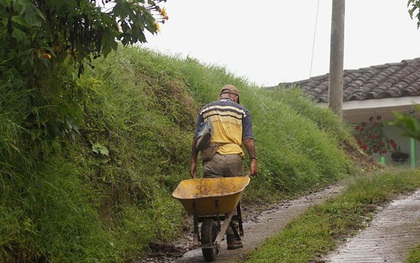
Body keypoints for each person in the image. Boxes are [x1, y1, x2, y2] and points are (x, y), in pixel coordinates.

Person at [189, 84, 258, 249]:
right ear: (235, 97)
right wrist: (253, 159)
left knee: (213, 199)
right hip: (234, 158)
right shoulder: (242, 111)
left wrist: (193, 160)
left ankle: (211, 229)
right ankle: (233, 238)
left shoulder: (205, 110)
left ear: (221, 96)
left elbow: (197, 137)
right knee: (231, 198)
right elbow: (247, 139)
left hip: (212, 159)